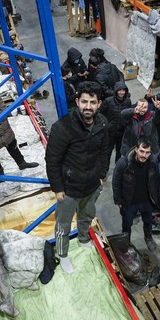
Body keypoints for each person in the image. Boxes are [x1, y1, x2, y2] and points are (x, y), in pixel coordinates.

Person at [45, 81, 109, 273]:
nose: (88, 106)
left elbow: (105, 151)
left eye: (92, 102)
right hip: (69, 189)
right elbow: (52, 160)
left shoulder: (102, 124)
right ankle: (62, 254)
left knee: (87, 216)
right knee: (63, 224)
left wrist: (101, 176)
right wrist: (58, 188)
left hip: (91, 185)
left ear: (99, 104)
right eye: (84, 101)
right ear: (77, 101)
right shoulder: (62, 128)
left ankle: (83, 239)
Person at [112, 138, 160, 251]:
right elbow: (116, 182)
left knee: (148, 221)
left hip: (147, 200)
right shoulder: (123, 163)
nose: (144, 155)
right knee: (127, 223)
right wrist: (118, 201)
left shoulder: (153, 162)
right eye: (142, 151)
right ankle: (126, 242)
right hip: (129, 201)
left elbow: (156, 180)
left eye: (147, 152)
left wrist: (156, 198)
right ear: (136, 149)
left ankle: (148, 237)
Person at [100, 81, 132, 163]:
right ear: (116, 91)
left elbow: (129, 114)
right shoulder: (108, 101)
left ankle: (118, 167)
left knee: (119, 151)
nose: (121, 92)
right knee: (107, 151)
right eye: (119, 90)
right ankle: (104, 171)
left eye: (123, 90)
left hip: (122, 131)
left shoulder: (127, 101)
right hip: (110, 131)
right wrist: (105, 124)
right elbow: (100, 113)